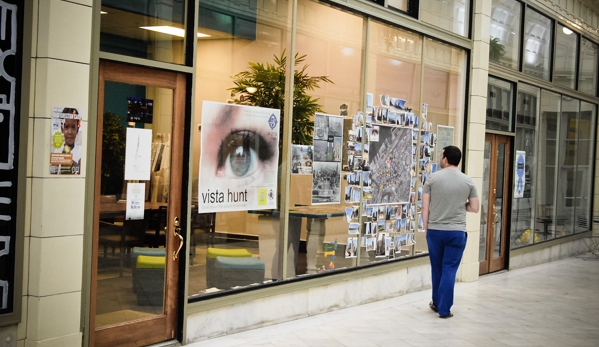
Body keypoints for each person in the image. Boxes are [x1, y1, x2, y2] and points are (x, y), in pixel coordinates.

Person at [421, 145, 479, 319]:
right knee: (449, 269)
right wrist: (461, 205)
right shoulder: (468, 181)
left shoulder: (432, 178)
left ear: (445, 159)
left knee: (437, 268)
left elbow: (425, 207)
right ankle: (444, 310)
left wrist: (426, 228)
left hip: (436, 230)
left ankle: (437, 303)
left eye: (441, 155)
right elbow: (475, 207)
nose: (440, 158)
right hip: (457, 232)